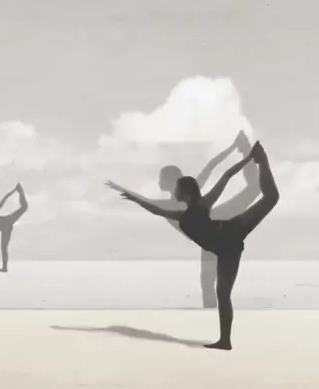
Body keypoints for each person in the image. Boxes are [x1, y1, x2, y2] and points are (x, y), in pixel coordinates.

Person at [105, 141, 280, 351]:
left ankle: (262, 159)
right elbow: (156, 210)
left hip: (232, 230)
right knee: (223, 295)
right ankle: (225, 341)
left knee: (271, 198)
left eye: (178, 189)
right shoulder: (182, 215)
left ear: (186, 194)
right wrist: (133, 198)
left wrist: (248, 159)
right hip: (227, 250)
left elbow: (225, 176)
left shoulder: (203, 204)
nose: (175, 192)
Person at [109, 130, 261, 308]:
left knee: (255, 188)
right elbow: (149, 204)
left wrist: (237, 148)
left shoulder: (186, 195)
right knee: (207, 281)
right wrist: (125, 192)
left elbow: (212, 167)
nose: (158, 182)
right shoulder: (172, 204)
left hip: (217, 222)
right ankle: (211, 312)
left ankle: (248, 151)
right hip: (209, 239)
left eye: (161, 179)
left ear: (175, 183)